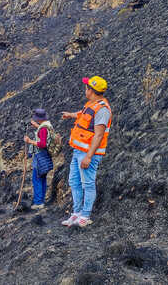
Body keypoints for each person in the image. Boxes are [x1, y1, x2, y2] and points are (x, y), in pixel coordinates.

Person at [60, 76, 112, 227]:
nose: (85, 89)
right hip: (78, 151)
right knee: (74, 181)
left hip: (88, 154)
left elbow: (99, 134)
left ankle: (85, 215)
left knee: (87, 184)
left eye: (87, 87)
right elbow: (83, 115)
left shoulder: (102, 110)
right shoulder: (92, 104)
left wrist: (89, 156)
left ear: (91, 91)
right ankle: (76, 213)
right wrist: (71, 115)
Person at [23, 108, 54, 210]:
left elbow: (42, 144)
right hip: (46, 156)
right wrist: (37, 126)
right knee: (42, 178)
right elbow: (43, 132)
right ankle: (41, 200)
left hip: (40, 156)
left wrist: (29, 141)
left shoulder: (43, 129)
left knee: (36, 178)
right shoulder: (47, 125)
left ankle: (38, 202)